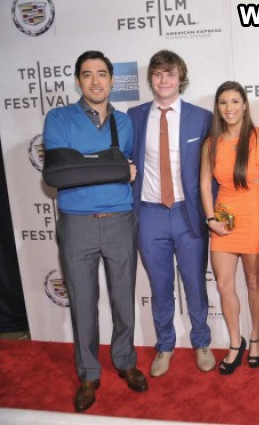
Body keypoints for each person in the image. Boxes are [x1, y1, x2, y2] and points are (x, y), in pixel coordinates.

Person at [43, 50, 147, 412]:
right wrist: (113, 168)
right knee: (83, 304)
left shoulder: (125, 123)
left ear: (112, 80)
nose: (95, 81)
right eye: (87, 74)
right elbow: (58, 174)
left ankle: (125, 361)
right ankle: (88, 374)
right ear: (78, 81)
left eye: (102, 74)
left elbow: (115, 168)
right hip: (77, 224)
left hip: (119, 220)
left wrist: (85, 164)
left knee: (123, 300)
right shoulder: (59, 118)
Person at [128, 50, 215, 378]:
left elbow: (212, 170)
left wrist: (211, 212)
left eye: (171, 73)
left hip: (187, 213)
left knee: (195, 283)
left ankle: (201, 342)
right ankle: (165, 345)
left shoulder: (201, 117)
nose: (164, 80)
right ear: (151, 79)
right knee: (160, 286)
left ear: (181, 79)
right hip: (149, 213)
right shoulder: (134, 116)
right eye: (158, 73)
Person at [200, 81, 259, 375]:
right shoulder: (211, 143)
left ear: (244, 105)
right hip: (222, 221)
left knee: (254, 281)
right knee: (223, 285)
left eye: (234, 101)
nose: (229, 108)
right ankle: (235, 342)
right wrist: (210, 220)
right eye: (223, 102)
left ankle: (255, 335)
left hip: (254, 218)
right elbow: (204, 184)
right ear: (218, 108)